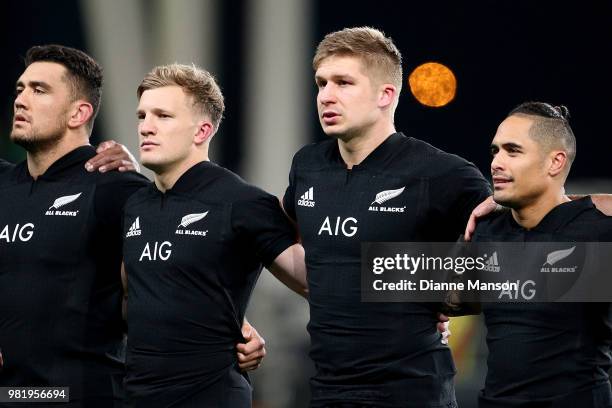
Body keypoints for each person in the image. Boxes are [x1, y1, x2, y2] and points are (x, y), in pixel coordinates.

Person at [0, 45, 265, 407]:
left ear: (80, 112)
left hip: (83, 393)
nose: (21, 100)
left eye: (39, 90)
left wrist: (235, 322)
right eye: (20, 89)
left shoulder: (118, 188)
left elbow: (175, 264)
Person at [282, 27, 491, 407]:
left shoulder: (444, 174)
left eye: (344, 82)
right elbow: (285, 245)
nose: (326, 95)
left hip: (412, 392)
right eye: (321, 83)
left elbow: (515, 264)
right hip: (327, 391)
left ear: (386, 94)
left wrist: (442, 297)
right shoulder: (307, 166)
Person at [122, 63, 307, 407]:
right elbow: (136, 293)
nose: (146, 127)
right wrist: (236, 320)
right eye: (142, 115)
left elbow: (318, 281)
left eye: (163, 116)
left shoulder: (243, 201)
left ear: (202, 130)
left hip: (210, 397)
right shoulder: (135, 204)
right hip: (137, 397)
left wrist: (423, 293)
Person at [470, 102, 612, 407]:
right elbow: (432, 297)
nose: (496, 162)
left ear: (555, 162)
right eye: (495, 151)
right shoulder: (486, 231)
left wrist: (593, 200)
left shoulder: (597, 232)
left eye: (512, 151)